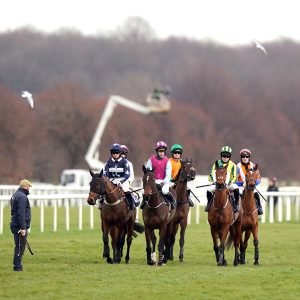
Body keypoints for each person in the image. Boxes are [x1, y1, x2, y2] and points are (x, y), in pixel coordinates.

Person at [140, 141, 176, 210]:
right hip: (153, 181)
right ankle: (144, 202)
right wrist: (152, 181)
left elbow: (168, 175)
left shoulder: (167, 161)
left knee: (164, 191)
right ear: (157, 151)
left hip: (163, 181)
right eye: (160, 151)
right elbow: (148, 171)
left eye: (163, 151)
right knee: (145, 192)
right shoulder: (151, 159)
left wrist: (163, 182)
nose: (162, 152)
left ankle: (172, 202)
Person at [205, 146, 239, 212]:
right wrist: (215, 181)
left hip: (228, 184)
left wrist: (228, 182)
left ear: (230, 156)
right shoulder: (216, 164)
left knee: (236, 188)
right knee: (208, 190)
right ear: (221, 155)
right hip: (217, 184)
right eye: (224, 155)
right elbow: (211, 174)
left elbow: (234, 176)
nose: (225, 157)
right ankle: (209, 204)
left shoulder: (233, 165)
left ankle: (236, 204)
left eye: (227, 156)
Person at [102, 143, 135, 210]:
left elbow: (127, 174)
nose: (115, 154)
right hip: (111, 180)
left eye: (116, 153)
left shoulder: (125, 162)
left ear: (119, 153)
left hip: (123, 181)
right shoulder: (108, 162)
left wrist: (121, 181)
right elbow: (105, 174)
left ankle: (131, 205)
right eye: (113, 153)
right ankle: (101, 204)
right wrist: (109, 181)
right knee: (103, 191)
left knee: (126, 189)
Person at [10, 179, 32, 271]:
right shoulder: (22, 197)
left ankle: (18, 265)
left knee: (19, 246)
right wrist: (23, 228)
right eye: (29, 187)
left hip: (15, 224)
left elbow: (13, 212)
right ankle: (17, 267)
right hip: (20, 226)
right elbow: (21, 213)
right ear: (25, 186)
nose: (29, 189)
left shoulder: (15, 195)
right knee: (19, 247)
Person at [236, 148, 263, 215]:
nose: (245, 158)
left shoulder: (253, 166)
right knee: (237, 193)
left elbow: (259, 178)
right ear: (241, 157)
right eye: (243, 157)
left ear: (249, 157)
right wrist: (242, 183)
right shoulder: (237, 167)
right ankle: (235, 208)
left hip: (251, 185)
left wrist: (254, 183)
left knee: (256, 193)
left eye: (247, 157)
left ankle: (259, 208)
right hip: (240, 186)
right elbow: (233, 180)